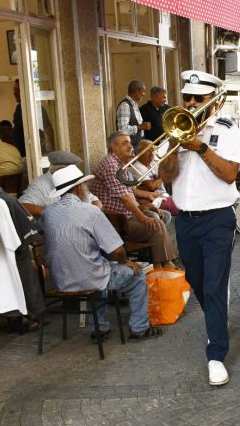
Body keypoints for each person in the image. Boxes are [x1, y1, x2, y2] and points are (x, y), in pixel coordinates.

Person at [159, 70, 240, 386]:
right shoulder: (176, 128)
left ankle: (216, 354)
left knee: (212, 286)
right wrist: (174, 144)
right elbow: (166, 176)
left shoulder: (227, 129)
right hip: (186, 219)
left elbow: (229, 174)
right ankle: (217, 316)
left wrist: (200, 147)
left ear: (213, 100)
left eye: (199, 98)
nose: (193, 103)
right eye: (188, 98)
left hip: (218, 218)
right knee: (196, 279)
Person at [41, 165, 163, 341]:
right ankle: (139, 328)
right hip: (89, 278)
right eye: (84, 185)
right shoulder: (90, 211)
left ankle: (100, 328)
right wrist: (125, 262)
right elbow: (117, 250)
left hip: (61, 280)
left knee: (97, 268)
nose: (86, 189)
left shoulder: (48, 213)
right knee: (136, 275)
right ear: (78, 188)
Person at [89, 131, 178, 269]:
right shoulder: (111, 164)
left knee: (163, 215)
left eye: (130, 142)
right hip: (117, 222)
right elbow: (124, 199)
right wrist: (142, 217)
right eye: (125, 143)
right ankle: (163, 265)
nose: (130, 146)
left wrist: (145, 206)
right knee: (156, 224)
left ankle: (159, 262)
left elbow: (129, 192)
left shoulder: (120, 164)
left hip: (126, 215)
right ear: (114, 147)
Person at [19, 150, 102, 217]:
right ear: (59, 170)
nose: (74, 170)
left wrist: (92, 213)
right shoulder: (39, 184)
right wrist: (52, 213)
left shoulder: (74, 180)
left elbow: (96, 201)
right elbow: (22, 206)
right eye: (71, 169)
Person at [12, 79, 55, 158]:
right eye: (14, 90)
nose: (14, 93)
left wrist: (53, 151)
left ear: (25, 91)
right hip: (22, 154)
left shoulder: (36, 108)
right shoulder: (19, 108)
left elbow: (48, 130)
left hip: (34, 154)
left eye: (17, 90)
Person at [116, 79, 151, 148]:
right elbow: (122, 130)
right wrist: (140, 127)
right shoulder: (125, 105)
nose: (144, 94)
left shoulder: (134, 105)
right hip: (130, 148)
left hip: (136, 146)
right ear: (137, 91)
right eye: (143, 91)